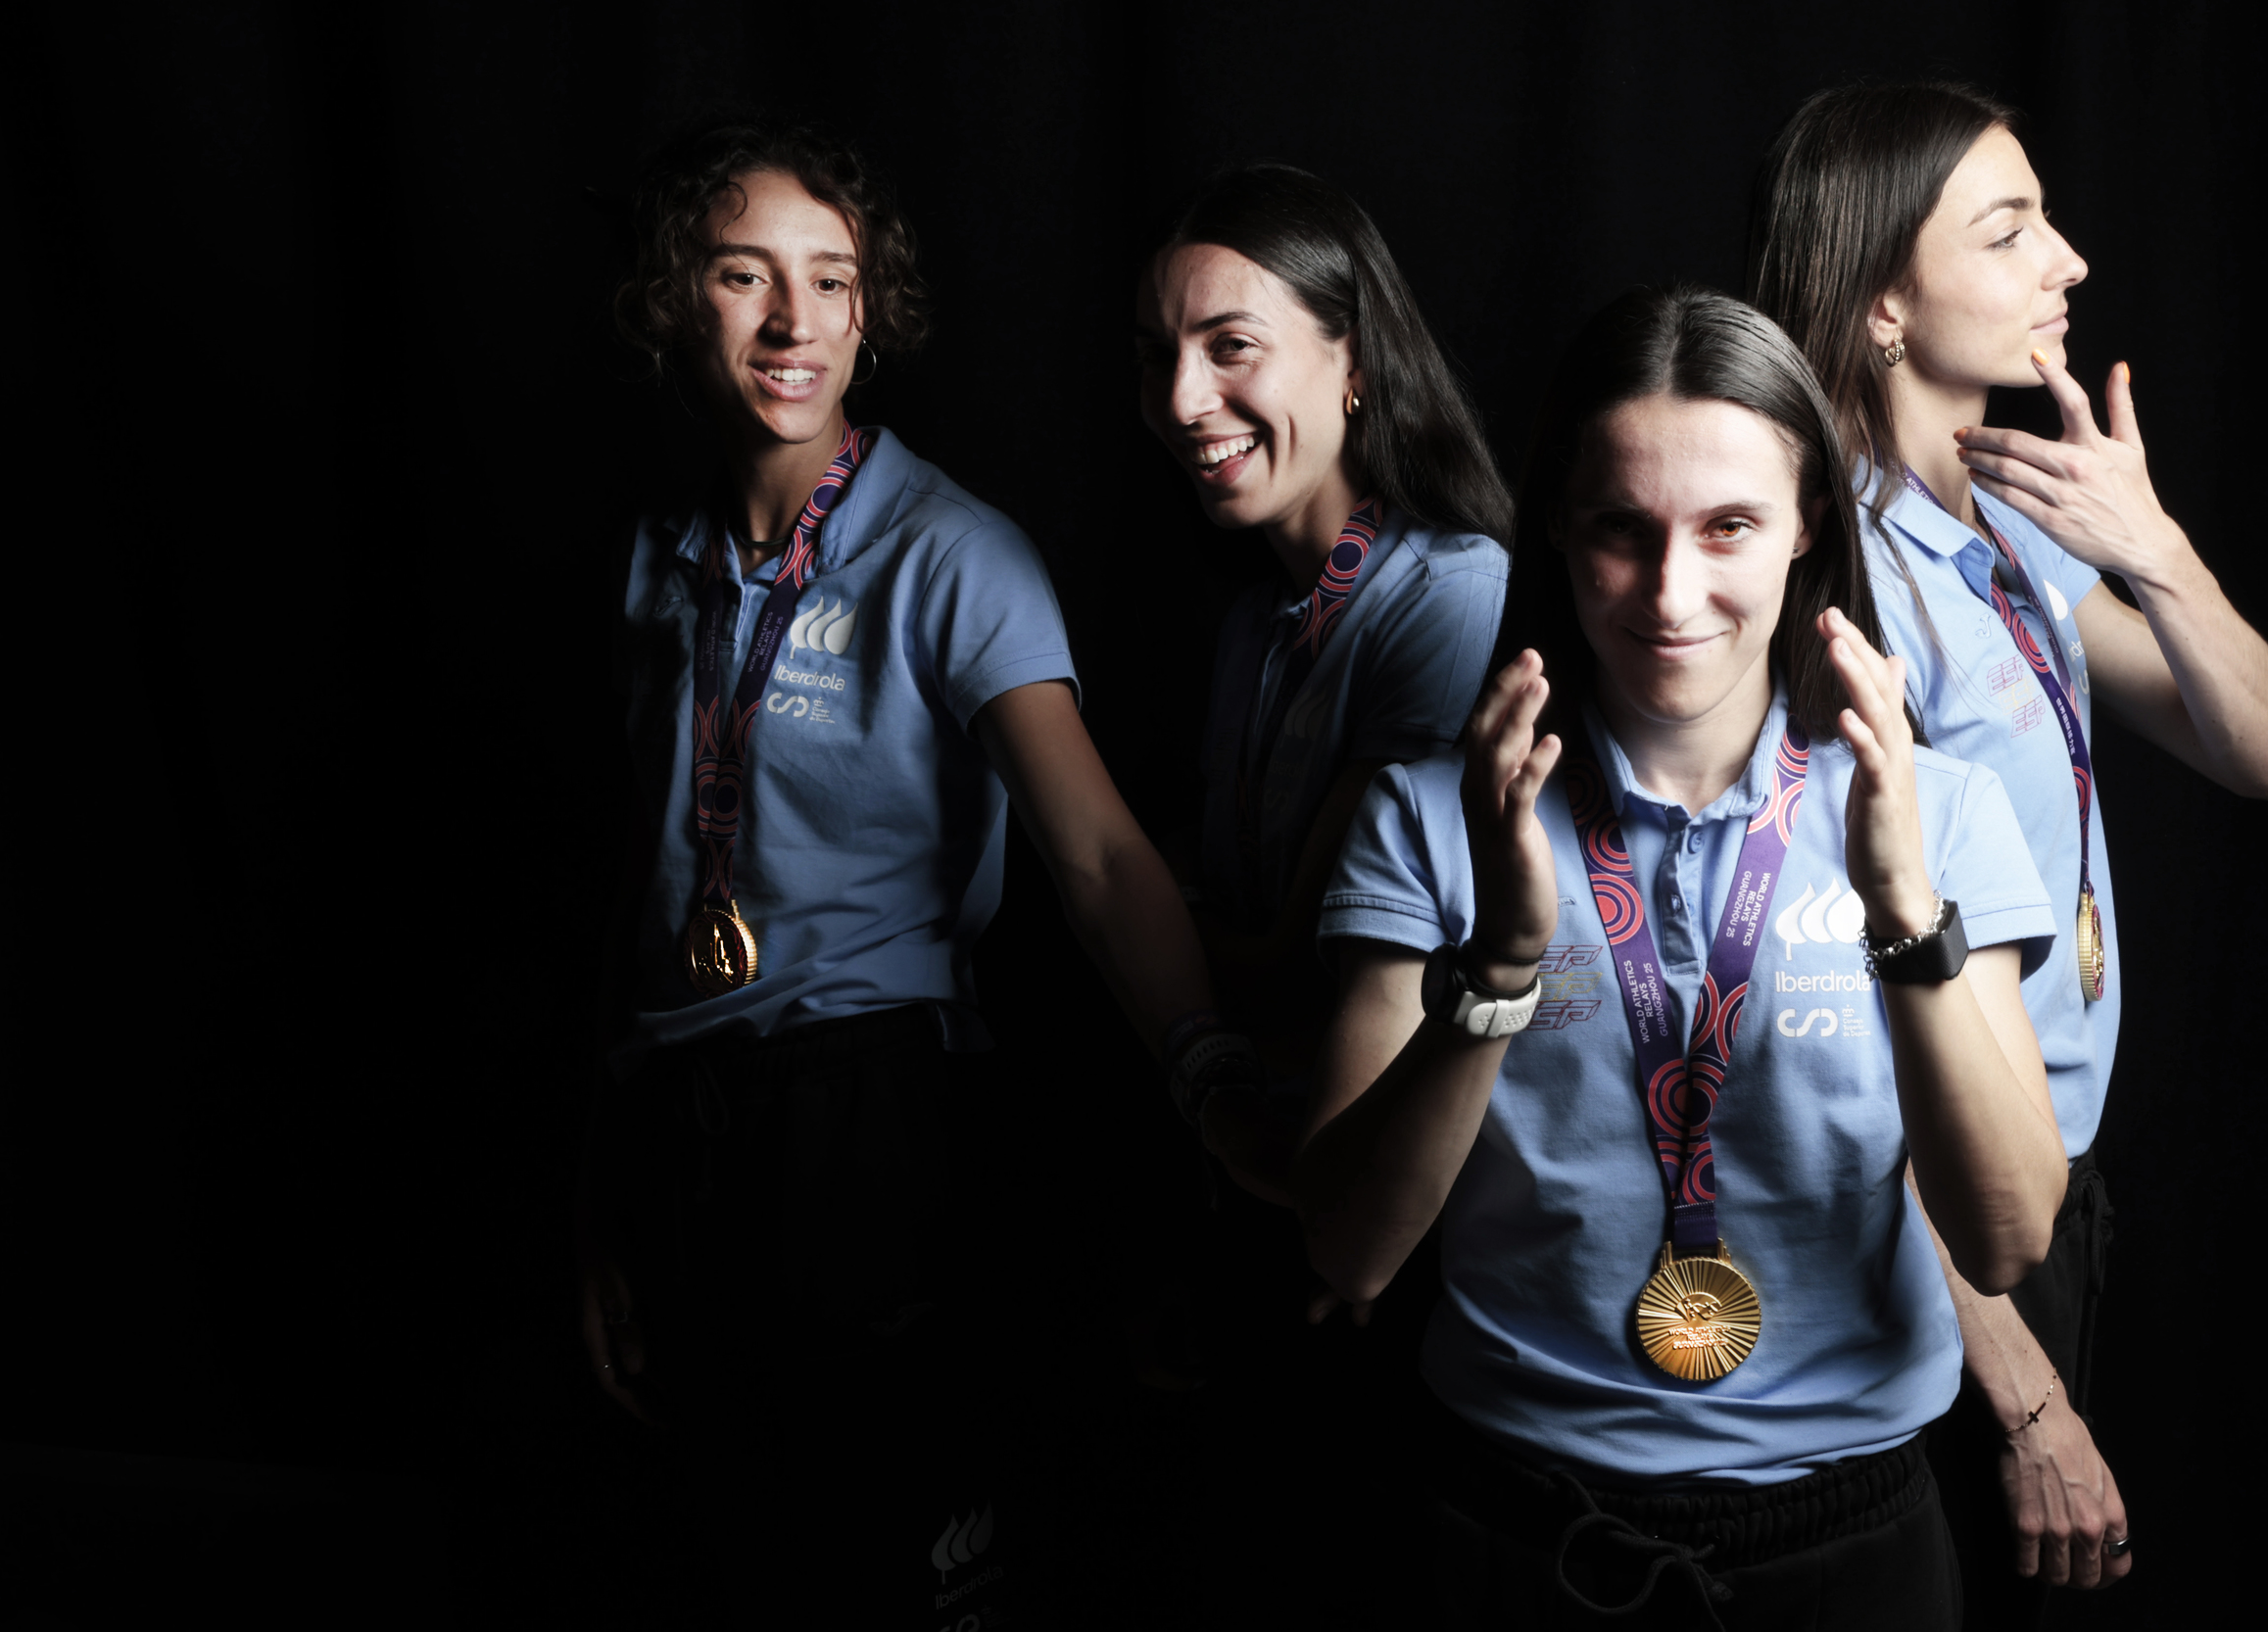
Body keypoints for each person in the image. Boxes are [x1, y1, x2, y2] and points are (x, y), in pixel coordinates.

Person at [1296, 284, 2072, 1629]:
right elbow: (1350, 1251)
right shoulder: (1429, 813)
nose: (1671, 592)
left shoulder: (1940, 815)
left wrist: (1903, 914)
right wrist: (1498, 967)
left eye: (1729, 527)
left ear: (1807, 527)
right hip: (1516, 1531)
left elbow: (2005, 1239)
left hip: (1852, 1541)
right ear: (1556, 525)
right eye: (1620, 529)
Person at [573, 116, 1256, 1627]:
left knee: (892, 1567)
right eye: (743, 274)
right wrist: (599, 1200)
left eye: (830, 279)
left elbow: (1093, 852)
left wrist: (1215, 1084)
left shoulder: (954, 555)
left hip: (871, 1123)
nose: (791, 320)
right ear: (674, 298)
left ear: (872, 314)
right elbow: (635, 881)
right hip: (682, 1129)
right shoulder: (653, 560)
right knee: (717, 1554)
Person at [1751, 80, 2268, 1615]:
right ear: (1879, 303)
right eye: (2009, 232)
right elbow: (1840, 1051)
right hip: (1925, 1226)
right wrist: (2023, 1397)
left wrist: (2159, 550)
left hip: (2049, 1191)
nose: (2067, 261)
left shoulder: (2015, 513)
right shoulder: (1835, 577)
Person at [1134, 161, 1513, 1188]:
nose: (1180, 399)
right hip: (1250, 1151)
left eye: (1232, 347)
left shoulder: (1454, 593)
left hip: (1386, 1176)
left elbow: (1292, 962)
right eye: (1160, 354)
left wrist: (1147, 917)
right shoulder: (1253, 626)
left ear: (1355, 365)